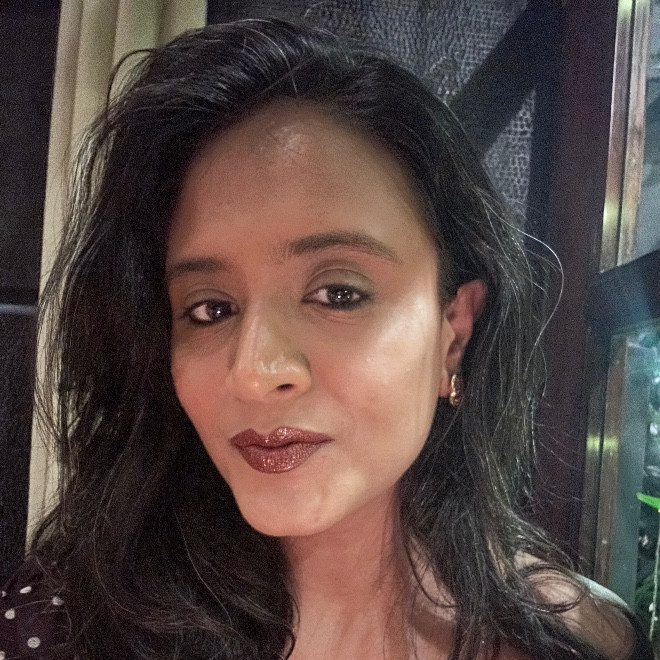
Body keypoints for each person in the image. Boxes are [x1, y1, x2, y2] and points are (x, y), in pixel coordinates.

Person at [0, 17, 653, 660]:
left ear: (453, 332)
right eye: (210, 309)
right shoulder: (63, 626)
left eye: (339, 294)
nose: (254, 372)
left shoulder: (579, 641)